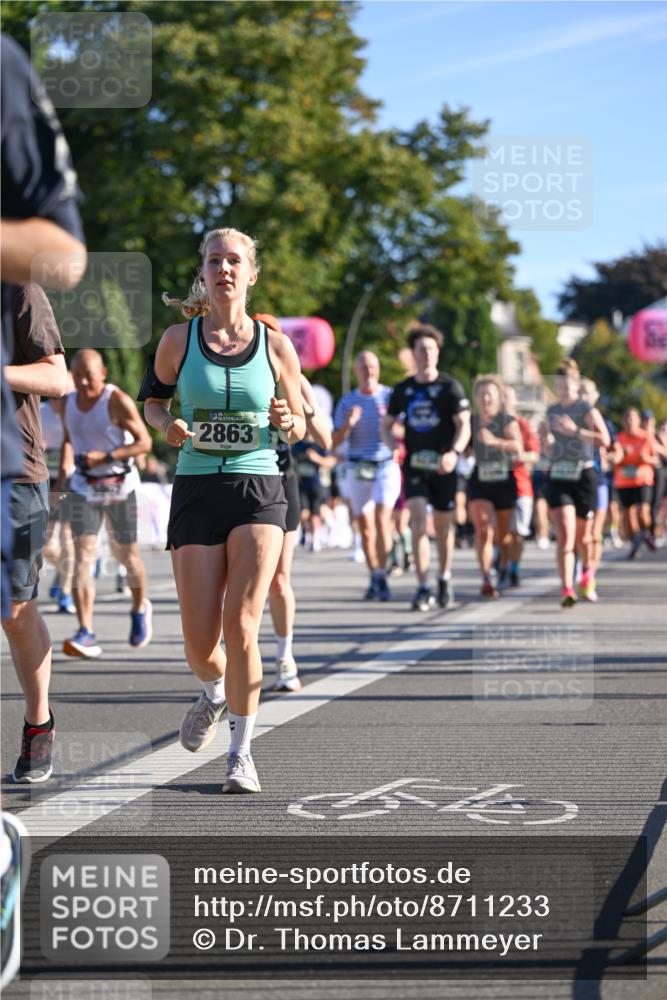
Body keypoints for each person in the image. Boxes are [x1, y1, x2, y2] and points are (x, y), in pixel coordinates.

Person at [142, 228, 305, 794]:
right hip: (195, 488)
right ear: (204, 274)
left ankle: (241, 754)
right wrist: (169, 426)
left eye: (234, 260)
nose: (224, 269)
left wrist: (289, 422)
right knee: (198, 642)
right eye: (215, 260)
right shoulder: (176, 340)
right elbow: (153, 404)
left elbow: (301, 418)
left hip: (259, 486)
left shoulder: (276, 345)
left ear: (251, 274)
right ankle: (213, 691)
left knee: (242, 626)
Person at [1, 33, 86, 991]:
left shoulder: (18, 270)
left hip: (6, 465)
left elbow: (58, 374)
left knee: (13, 609)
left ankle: (37, 719)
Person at [254, 313, 332, 693]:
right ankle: (243, 655)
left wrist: (302, 403)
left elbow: (326, 439)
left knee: (279, 578)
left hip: (283, 479)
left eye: (272, 337)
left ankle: (285, 657)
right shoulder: (235, 371)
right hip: (245, 480)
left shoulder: (294, 376)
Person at [59, 349, 153, 657]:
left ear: (103, 374)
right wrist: (64, 474)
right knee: (82, 555)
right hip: (84, 486)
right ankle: (86, 630)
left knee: (127, 557)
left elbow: (145, 442)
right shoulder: (67, 402)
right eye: (77, 376)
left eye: (89, 375)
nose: (84, 382)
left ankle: (140, 607)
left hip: (119, 485)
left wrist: (108, 456)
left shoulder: (116, 400)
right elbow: (71, 438)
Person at [383, 325, 471, 610]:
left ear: (438, 352)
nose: (427, 354)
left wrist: (454, 452)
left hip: (444, 465)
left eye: (431, 349)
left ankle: (444, 577)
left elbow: (464, 425)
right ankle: (423, 586)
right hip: (415, 465)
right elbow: (388, 424)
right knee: (418, 520)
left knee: (444, 529)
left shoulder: (450, 386)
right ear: (414, 354)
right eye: (421, 349)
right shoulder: (404, 389)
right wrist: (393, 445)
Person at [333, 351, 400, 602]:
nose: (369, 371)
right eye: (363, 367)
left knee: (383, 520)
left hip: (385, 464)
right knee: (366, 528)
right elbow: (333, 441)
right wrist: (349, 424)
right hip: (358, 465)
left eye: (372, 366)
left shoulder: (390, 397)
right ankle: (375, 574)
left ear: (379, 369)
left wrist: (392, 428)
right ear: (356, 371)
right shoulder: (347, 402)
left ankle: (382, 572)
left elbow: (404, 429)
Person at [545, 359, 610, 606]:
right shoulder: (551, 411)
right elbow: (551, 449)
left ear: (576, 384)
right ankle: (566, 589)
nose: (563, 390)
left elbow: (604, 440)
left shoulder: (587, 410)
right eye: (559, 386)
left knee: (584, 539)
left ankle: (587, 574)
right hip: (559, 476)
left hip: (583, 476)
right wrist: (546, 441)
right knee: (565, 534)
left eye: (567, 385)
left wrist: (575, 431)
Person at [467, 375, 522, 598]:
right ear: (476, 399)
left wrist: (494, 442)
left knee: (503, 535)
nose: (486, 398)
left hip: (504, 482)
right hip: (479, 481)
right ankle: (486, 577)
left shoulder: (506, 421)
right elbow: (462, 443)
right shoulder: (471, 421)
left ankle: (504, 565)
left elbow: (518, 447)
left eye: (490, 394)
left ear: (498, 397)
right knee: (483, 529)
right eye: (481, 394)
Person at [41, 388, 76, 613]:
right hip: (45, 479)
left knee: (66, 537)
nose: (57, 402)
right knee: (44, 543)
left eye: (61, 397)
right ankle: (64, 571)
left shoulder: (74, 413)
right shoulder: (40, 411)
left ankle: (65, 592)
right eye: (53, 397)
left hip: (71, 480)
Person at [502, 386, 540, 588]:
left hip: (520, 483)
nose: (505, 401)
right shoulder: (490, 424)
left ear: (515, 401)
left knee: (518, 532)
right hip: (496, 483)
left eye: (508, 397)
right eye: (502, 397)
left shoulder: (523, 425)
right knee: (500, 530)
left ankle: (513, 567)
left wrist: (518, 455)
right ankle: (502, 564)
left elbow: (534, 454)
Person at [611, 407, 660, 559]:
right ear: (623, 421)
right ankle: (637, 539)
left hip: (642, 479)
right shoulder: (618, 438)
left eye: (632, 418)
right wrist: (619, 456)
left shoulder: (646, 437)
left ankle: (646, 533)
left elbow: (656, 459)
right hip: (624, 482)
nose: (629, 421)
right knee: (629, 515)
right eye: (627, 418)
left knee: (643, 511)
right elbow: (614, 458)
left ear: (638, 421)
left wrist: (646, 459)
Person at [579, 378, 616, 579]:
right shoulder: (570, 418)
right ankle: (582, 566)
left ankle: (590, 572)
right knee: (580, 533)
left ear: (595, 396)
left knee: (594, 533)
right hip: (577, 481)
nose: (583, 397)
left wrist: (610, 457)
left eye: (587, 393)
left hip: (599, 480)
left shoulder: (604, 423)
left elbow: (615, 450)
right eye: (580, 392)